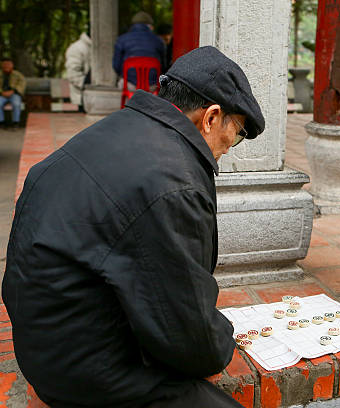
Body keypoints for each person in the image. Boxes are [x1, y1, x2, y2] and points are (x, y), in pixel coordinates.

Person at [2, 46, 264, 408]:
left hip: (41, 337)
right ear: (211, 117)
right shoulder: (174, 181)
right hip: (80, 369)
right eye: (234, 135)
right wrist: (223, 341)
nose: (227, 148)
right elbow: (189, 341)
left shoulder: (120, 127)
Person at [113, 11, 166, 90]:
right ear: (150, 26)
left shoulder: (121, 40)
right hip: (152, 85)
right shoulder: (158, 41)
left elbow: (116, 66)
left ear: (133, 25)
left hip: (129, 84)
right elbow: (163, 66)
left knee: (121, 81)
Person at [65, 32, 92, 112]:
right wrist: (87, 85)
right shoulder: (77, 48)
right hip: (82, 97)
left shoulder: (101, 47)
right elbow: (73, 74)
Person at [0, 57, 26, 128]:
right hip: (2, 94)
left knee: (16, 103)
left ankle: (16, 122)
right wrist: (2, 92)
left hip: (14, 94)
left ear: (12, 65)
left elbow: (22, 84)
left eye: (8, 64)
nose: (6, 66)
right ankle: (1, 122)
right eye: (4, 64)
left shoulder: (18, 75)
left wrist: (13, 91)